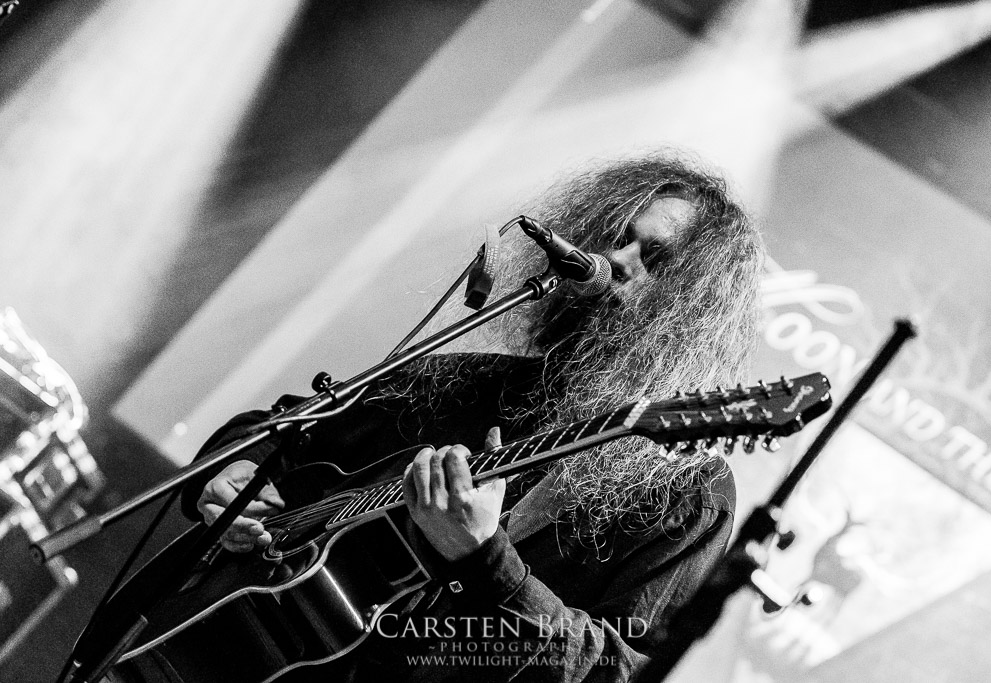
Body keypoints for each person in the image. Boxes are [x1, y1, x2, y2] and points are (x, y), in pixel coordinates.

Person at [181, 152, 764, 682]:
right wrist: (229, 473)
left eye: (654, 259)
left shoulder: (687, 494)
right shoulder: (466, 381)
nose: (616, 259)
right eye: (617, 238)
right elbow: (282, 429)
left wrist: (484, 560)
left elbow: (619, 672)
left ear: (692, 309)